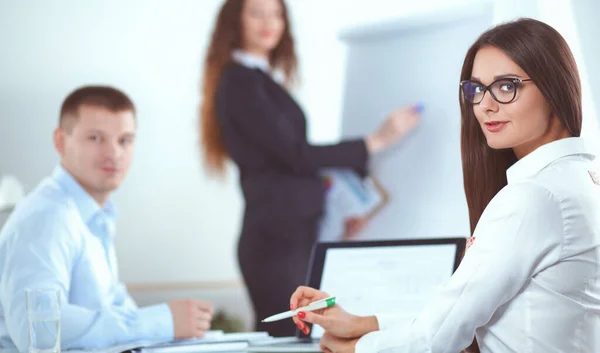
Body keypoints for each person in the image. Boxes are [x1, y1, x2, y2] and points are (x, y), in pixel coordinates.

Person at [288, 18, 600, 353]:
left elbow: (435, 339)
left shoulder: (533, 197)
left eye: (507, 86)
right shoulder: (579, 180)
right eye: (477, 89)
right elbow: (468, 315)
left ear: (554, 87)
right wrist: (365, 324)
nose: (485, 105)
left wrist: (351, 348)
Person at [199, 0, 422, 336]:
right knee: (296, 338)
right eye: (256, 13)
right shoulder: (240, 82)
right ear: (235, 21)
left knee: (307, 337)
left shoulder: (259, 79)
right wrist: (375, 141)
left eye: (276, 14)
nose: (268, 22)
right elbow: (295, 155)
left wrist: (337, 211)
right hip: (274, 244)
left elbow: (291, 166)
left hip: (293, 238)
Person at [0, 86, 214, 351]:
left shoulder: (93, 215)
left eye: (125, 140)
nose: (114, 153)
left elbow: (111, 305)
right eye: (95, 138)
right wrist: (160, 321)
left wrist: (173, 326)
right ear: (60, 141)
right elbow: (37, 330)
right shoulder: (47, 217)